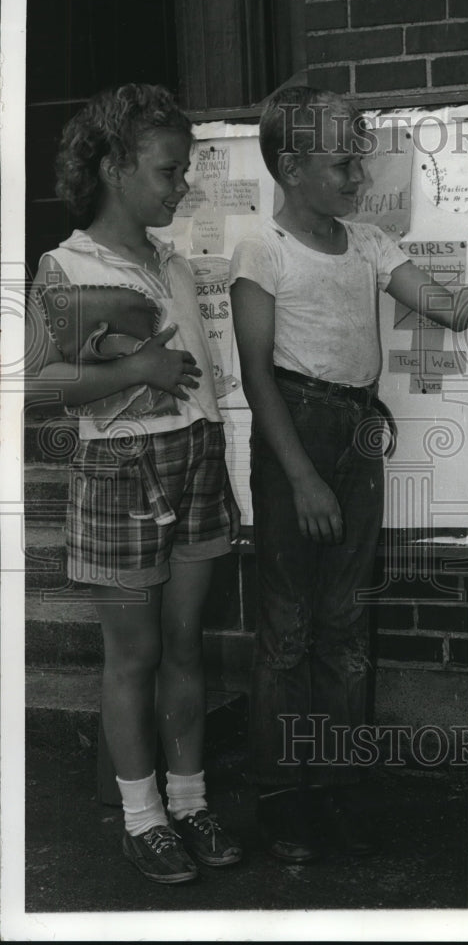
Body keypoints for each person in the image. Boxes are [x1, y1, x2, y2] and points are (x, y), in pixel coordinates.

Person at [230, 84, 468, 863]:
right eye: (342, 163)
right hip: (294, 437)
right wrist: (300, 477)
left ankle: (332, 787)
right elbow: (257, 377)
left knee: (342, 624)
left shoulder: (367, 243)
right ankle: (279, 796)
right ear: (291, 167)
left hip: (357, 434)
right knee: (288, 631)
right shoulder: (259, 252)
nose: (357, 175)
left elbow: (455, 310)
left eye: (359, 160)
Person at [26, 83, 243, 884]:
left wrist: (214, 443)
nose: (180, 186)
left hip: (194, 456)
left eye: (183, 172)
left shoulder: (172, 261)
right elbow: (36, 384)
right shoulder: (69, 264)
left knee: (186, 643)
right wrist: (137, 364)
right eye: (167, 171)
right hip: (120, 468)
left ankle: (189, 802)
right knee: (135, 655)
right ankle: (142, 819)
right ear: (114, 166)